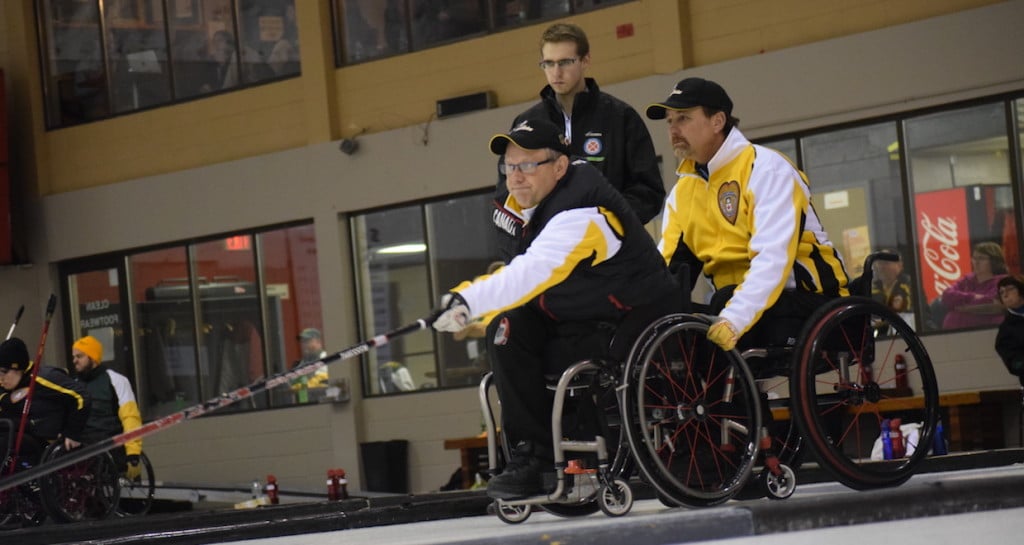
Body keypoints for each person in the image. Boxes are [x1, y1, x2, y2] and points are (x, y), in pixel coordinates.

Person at [433, 117, 678, 499]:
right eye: (509, 166)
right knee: (506, 329)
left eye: (528, 165)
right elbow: (518, 282)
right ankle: (532, 458)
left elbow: (532, 272)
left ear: (560, 167)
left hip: (628, 316)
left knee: (523, 319)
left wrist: (469, 299)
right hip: (571, 312)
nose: (515, 177)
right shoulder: (515, 208)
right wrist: (474, 311)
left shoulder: (584, 212)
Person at [647, 77, 850, 353]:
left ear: (717, 121)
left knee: (721, 304)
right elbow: (665, 270)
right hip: (737, 303)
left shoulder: (766, 169)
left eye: (683, 118)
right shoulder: (682, 192)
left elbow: (772, 259)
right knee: (671, 321)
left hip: (810, 299)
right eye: (669, 121)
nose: (673, 130)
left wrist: (732, 320)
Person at [496, 23, 664, 247]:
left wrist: (604, 224)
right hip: (550, 251)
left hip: (609, 252)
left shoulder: (620, 116)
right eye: (548, 63)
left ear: (585, 61)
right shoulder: (526, 124)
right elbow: (507, 194)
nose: (556, 72)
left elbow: (648, 190)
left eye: (565, 62)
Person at [0, 337, 91, 468]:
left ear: (18, 367)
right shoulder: (6, 386)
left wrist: (72, 433)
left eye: (4, 372)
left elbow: (82, 397)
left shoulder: (44, 378)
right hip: (19, 431)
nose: (1, 378)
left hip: (44, 439)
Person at [71, 335, 144, 480]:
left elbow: (130, 418)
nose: (75, 361)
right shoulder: (72, 385)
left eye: (80, 356)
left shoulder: (117, 381)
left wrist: (133, 452)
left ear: (92, 357)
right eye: (74, 357)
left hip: (111, 449)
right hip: (82, 452)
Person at [939, 241, 1008, 329]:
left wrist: (961, 306)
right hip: (951, 333)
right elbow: (947, 295)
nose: (976, 262)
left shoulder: (1003, 281)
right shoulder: (967, 279)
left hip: (982, 332)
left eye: (981, 258)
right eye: (974, 258)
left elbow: (992, 303)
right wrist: (973, 297)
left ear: (994, 261)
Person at [995, 274, 1024, 386]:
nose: (1005, 294)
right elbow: (1014, 363)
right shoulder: (1006, 330)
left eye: (1010, 289)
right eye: (1001, 292)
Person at [292, 328, 330, 403]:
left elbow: (319, 384)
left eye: (307, 341)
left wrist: (296, 387)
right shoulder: (301, 364)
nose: (304, 345)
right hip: (303, 405)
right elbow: (293, 383)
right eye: (302, 342)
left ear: (318, 342)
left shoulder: (325, 358)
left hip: (321, 405)